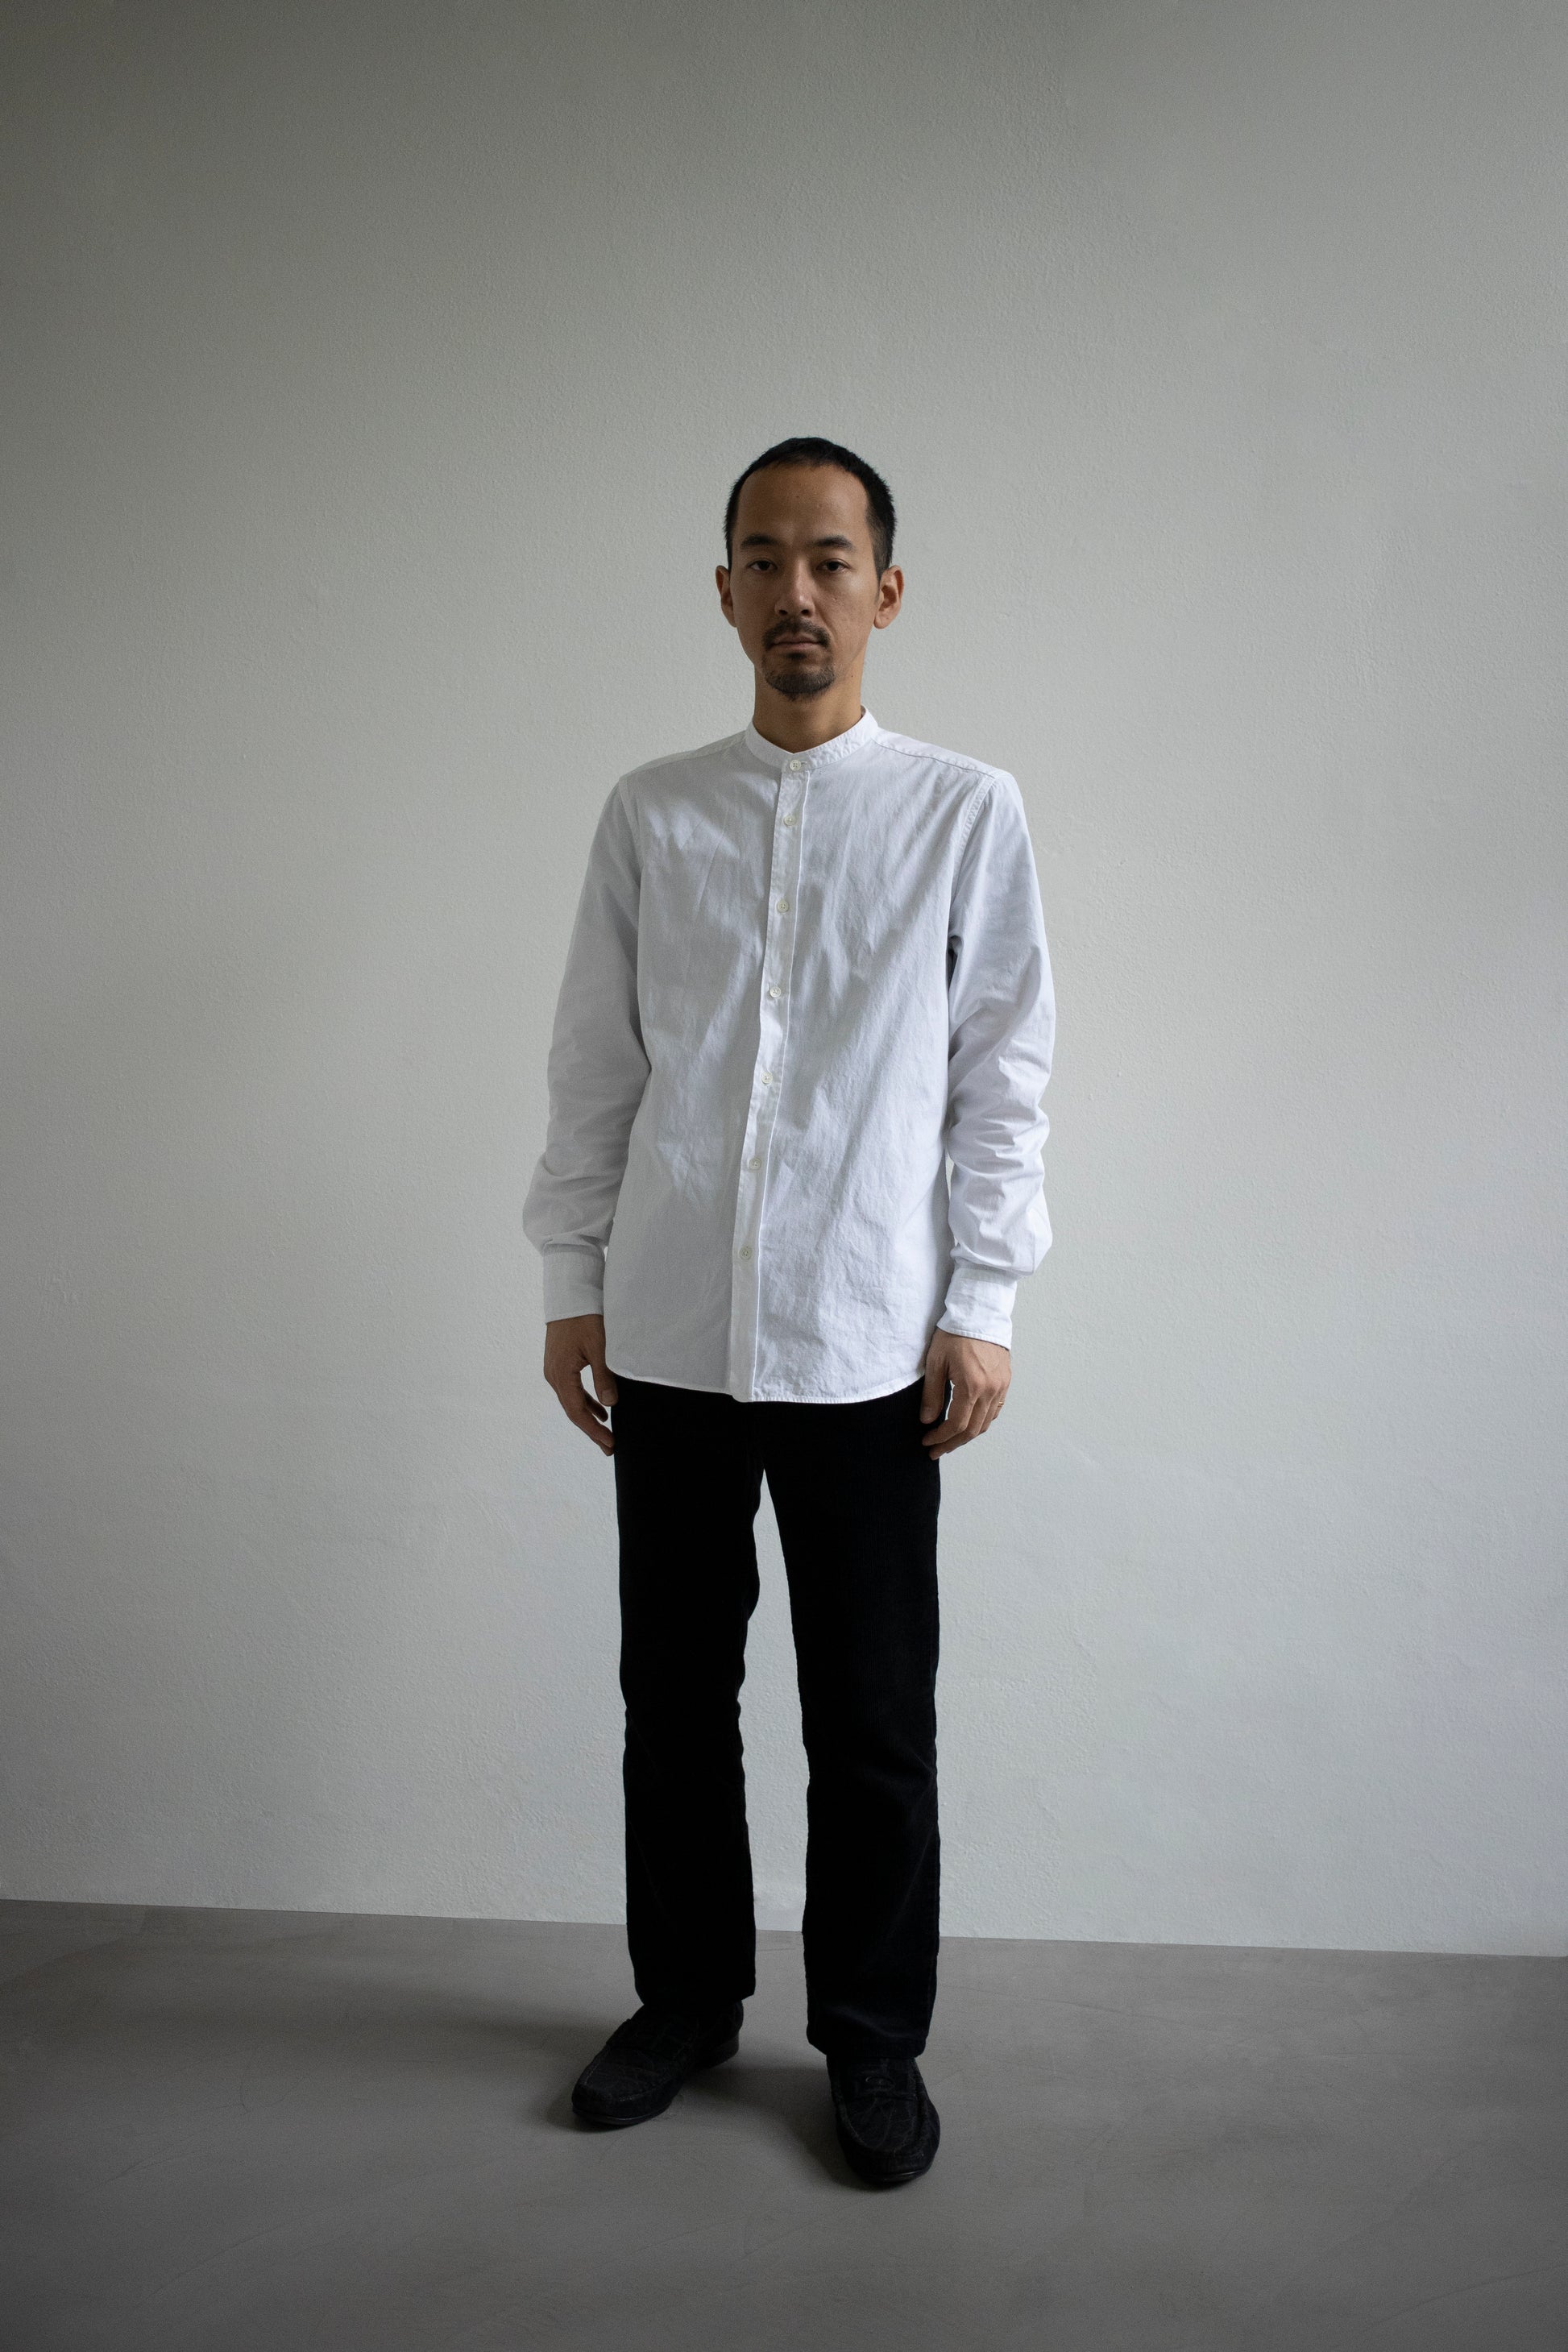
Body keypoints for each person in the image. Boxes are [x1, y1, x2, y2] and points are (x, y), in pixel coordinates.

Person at [522, 436, 1055, 2187]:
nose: (797, 591)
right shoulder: (651, 812)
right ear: (725, 590)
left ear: (884, 591)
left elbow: (1002, 1075)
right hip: (673, 1330)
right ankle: (684, 2003)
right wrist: (571, 1283)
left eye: (830, 560)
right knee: (674, 1703)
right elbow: (597, 1065)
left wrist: (982, 1297)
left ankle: (872, 2037)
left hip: (867, 1341)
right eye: (764, 558)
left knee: (872, 1721)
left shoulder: (963, 811)